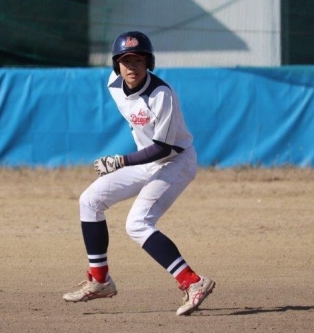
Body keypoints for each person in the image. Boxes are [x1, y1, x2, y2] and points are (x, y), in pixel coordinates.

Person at [62, 31, 215, 316]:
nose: (132, 66)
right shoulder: (114, 84)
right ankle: (100, 281)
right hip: (147, 160)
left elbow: (163, 148)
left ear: (148, 63)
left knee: (137, 223)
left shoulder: (161, 95)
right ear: (116, 65)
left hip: (176, 161)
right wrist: (127, 162)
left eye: (139, 60)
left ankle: (193, 282)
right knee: (90, 201)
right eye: (125, 61)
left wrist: (120, 161)